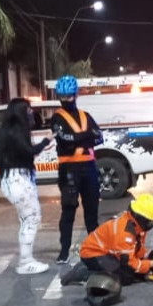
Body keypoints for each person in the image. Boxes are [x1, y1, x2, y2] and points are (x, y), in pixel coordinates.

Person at [60, 194, 153, 289]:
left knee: (134, 271)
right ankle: (83, 274)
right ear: (142, 218)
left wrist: (150, 254)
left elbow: (137, 250)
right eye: (150, 222)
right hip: (93, 254)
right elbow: (132, 264)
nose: (151, 225)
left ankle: (91, 267)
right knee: (125, 277)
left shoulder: (136, 225)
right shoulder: (125, 233)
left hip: (108, 251)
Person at [0, 98, 54, 275]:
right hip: (18, 180)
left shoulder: (8, 129)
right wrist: (46, 141)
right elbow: (29, 152)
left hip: (14, 179)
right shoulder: (16, 130)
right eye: (28, 110)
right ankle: (26, 262)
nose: (31, 113)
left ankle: (26, 260)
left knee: (27, 219)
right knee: (32, 218)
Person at [52, 74, 103, 264]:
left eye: (69, 96)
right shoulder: (57, 118)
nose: (66, 100)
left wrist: (77, 139)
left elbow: (99, 137)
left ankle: (95, 247)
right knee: (68, 211)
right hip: (69, 170)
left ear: (76, 95)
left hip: (89, 168)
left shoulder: (85, 115)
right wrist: (87, 136)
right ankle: (64, 250)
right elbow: (64, 141)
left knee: (92, 211)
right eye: (62, 96)